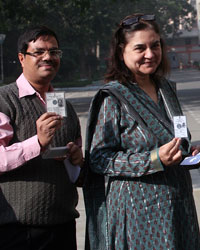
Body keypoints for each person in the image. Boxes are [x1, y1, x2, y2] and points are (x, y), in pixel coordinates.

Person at [83, 13, 200, 250]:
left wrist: (190, 152)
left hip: (177, 206)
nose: (150, 54)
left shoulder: (166, 88)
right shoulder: (113, 98)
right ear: (121, 52)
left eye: (155, 45)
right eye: (140, 48)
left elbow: (179, 136)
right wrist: (154, 159)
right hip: (139, 215)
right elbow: (99, 159)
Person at [0, 25, 83, 250]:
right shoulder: (5, 100)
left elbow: (79, 171)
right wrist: (37, 142)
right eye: (39, 52)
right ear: (21, 58)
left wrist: (76, 160)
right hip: (17, 230)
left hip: (63, 225)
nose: (48, 57)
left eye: (54, 52)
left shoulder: (64, 105)